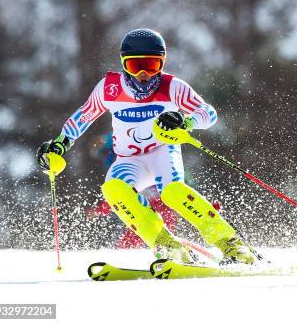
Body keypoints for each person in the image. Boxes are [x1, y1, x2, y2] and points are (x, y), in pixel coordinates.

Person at [36, 28, 255, 264]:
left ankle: (232, 244)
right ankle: (168, 246)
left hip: (162, 151)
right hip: (129, 159)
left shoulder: (172, 87)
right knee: (113, 189)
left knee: (173, 191)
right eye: (134, 66)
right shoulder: (109, 88)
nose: (143, 75)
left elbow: (208, 113)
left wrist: (186, 120)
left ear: (162, 63)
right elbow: (85, 115)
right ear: (123, 64)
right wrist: (60, 143)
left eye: (151, 66)